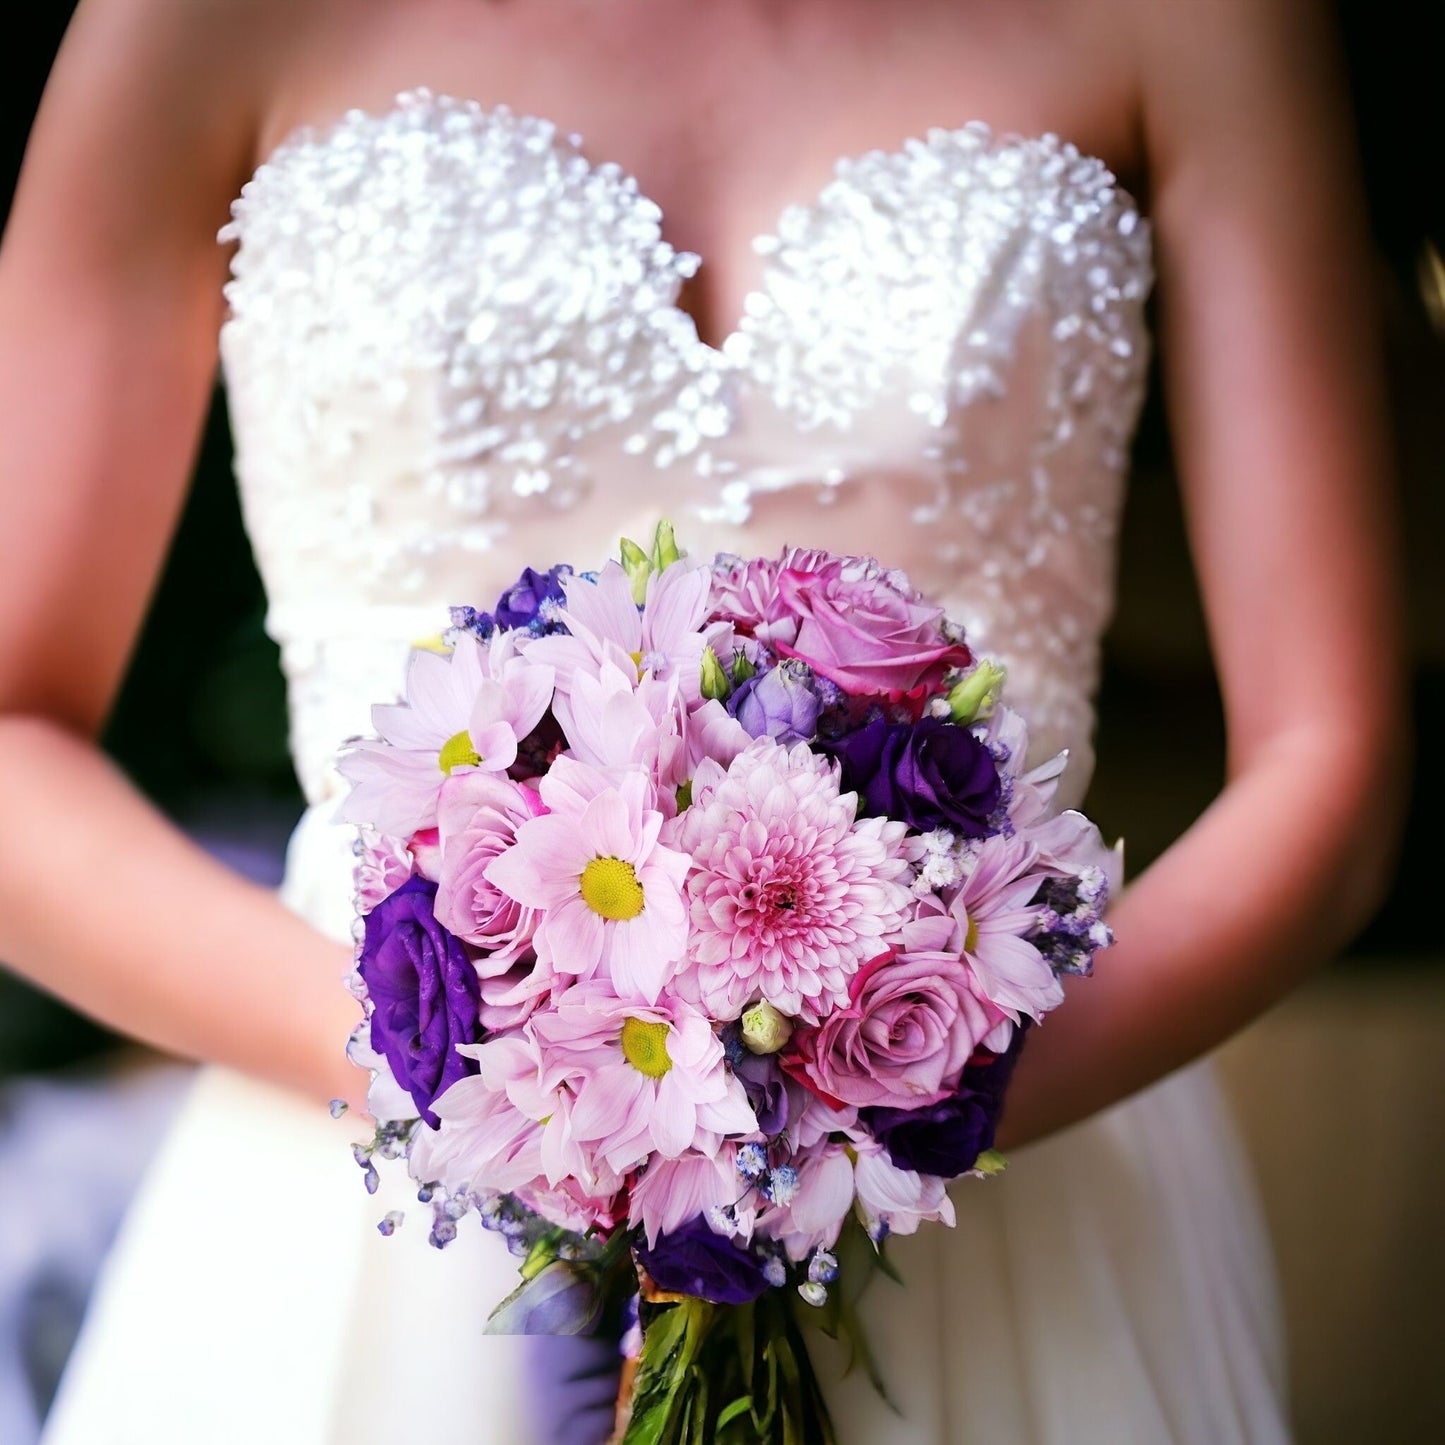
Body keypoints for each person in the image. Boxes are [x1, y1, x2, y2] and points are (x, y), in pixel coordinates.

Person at [0, 0, 1411, 1441]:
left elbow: (1329, 760)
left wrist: (904, 1108)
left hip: (1009, 1169)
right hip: (377, 1197)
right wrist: (497, 1092)